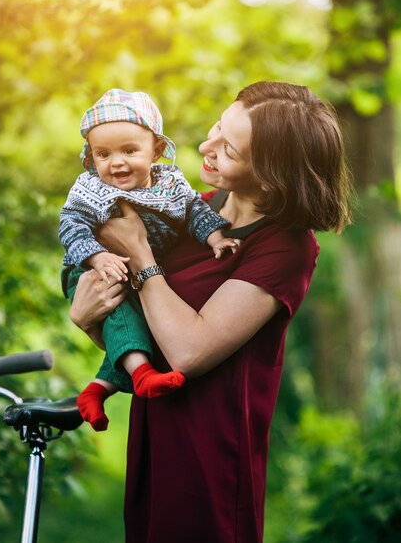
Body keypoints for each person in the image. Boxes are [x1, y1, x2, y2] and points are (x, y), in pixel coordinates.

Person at [67, 81, 352, 543]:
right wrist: (88, 319)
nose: (205, 146)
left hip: (210, 452)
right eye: (218, 126)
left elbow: (189, 351)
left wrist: (139, 252)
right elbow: (150, 332)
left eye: (230, 149)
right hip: (154, 428)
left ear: (273, 174)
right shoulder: (190, 210)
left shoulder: (284, 247)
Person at [59, 88, 238, 431]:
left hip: (134, 270)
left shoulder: (171, 183)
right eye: (103, 154)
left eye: (129, 150)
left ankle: (98, 389)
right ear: (91, 158)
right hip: (91, 268)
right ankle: (142, 374)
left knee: (148, 320)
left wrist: (215, 236)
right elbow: (71, 225)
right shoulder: (91, 188)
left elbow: (193, 211)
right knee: (119, 310)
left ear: (156, 150)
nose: (117, 163)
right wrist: (96, 257)